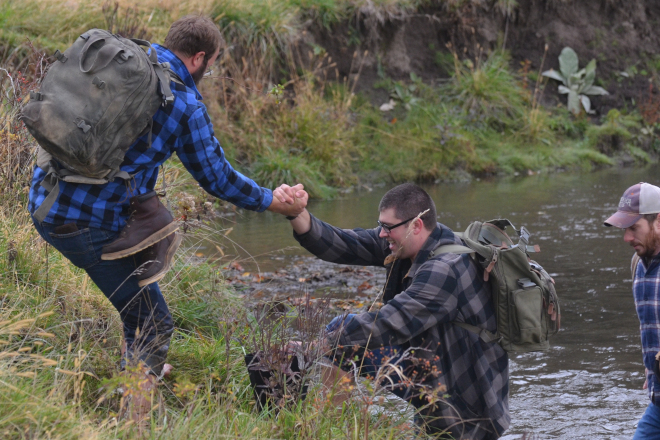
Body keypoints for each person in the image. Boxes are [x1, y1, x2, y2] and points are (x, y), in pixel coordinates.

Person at [28, 15, 305, 410]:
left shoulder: (128, 58)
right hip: (83, 224)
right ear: (200, 58)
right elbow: (218, 178)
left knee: (139, 305)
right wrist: (271, 200)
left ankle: (140, 368)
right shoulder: (185, 105)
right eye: (212, 64)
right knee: (153, 323)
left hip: (43, 199)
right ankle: (130, 419)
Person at [280, 182, 509, 439]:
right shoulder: (406, 245)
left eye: (387, 228)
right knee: (340, 330)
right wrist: (296, 213)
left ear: (416, 225)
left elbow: (388, 322)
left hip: (467, 406)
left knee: (342, 338)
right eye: (380, 226)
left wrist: (314, 346)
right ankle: (329, 430)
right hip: (431, 370)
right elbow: (342, 243)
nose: (381, 234)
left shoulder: (446, 269)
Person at [605, 182, 660, 439]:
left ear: (658, 221)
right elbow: (650, 323)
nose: (627, 238)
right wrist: (651, 371)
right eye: (625, 229)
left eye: (634, 228)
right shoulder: (637, 262)